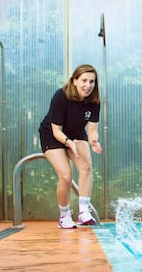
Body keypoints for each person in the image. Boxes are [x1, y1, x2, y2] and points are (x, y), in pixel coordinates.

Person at [39, 64, 102, 229]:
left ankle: (83, 212)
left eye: (91, 82)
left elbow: (92, 129)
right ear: (74, 81)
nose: (87, 85)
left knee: (86, 167)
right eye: (84, 81)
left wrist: (94, 140)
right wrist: (69, 144)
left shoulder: (94, 101)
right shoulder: (61, 96)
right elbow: (56, 130)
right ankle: (64, 216)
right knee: (66, 175)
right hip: (53, 134)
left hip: (76, 132)